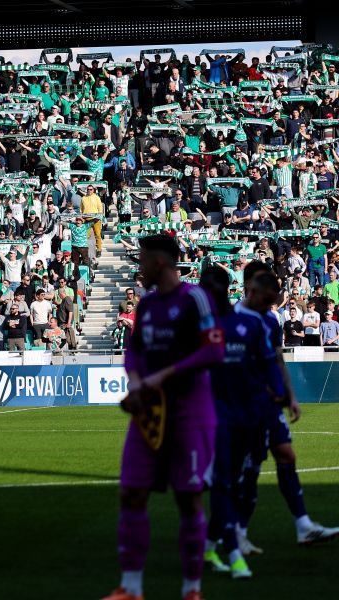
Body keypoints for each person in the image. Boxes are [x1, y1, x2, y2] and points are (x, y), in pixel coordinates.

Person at [102, 235, 224, 600]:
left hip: (191, 414)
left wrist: (164, 375)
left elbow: (214, 351)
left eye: (141, 260)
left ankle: (191, 590)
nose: (138, 267)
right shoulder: (148, 303)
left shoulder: (195, 298)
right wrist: (137, 380)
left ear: (160, 262)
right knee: (132, 494)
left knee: (188, 500)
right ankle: (132, 588)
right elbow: (134, 349)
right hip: (149, 415)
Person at [234, 262, 339, 553]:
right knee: (250, 468)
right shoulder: (234, 318)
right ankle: (237, 533)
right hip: (248, 405)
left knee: (285, 454)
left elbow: (277, 357)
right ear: (250, 286)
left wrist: (290, 395)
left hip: (271, 403)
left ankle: (303, 525)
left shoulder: (268, 319)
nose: (271, 301)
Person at [198, 267, 284, 579]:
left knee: (234, 481)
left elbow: (268, 362)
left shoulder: (249, 324)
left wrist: (280, 391)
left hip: (248, 414)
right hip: (213, 417)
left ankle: (208, 546)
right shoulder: (202, 327)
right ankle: (233, 553)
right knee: (220, 483)